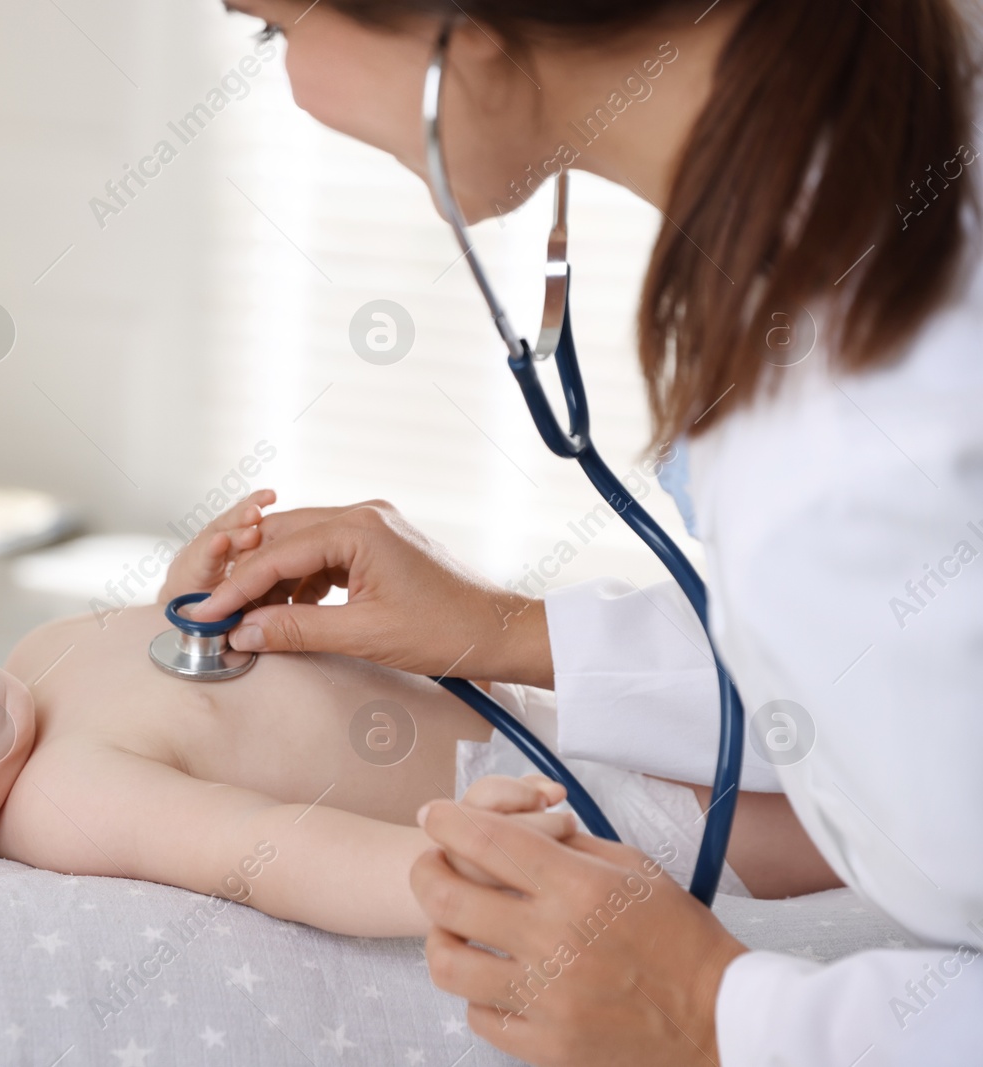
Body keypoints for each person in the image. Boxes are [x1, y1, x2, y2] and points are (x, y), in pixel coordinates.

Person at [195, 0, 983, 1064]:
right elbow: (909, 666)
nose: (290, 83)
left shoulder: (851, 437)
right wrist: (511, 629)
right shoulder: (853, 209)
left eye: (272, 28)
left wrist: (718, 1015)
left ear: (454, 26)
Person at [0, 488, 838, 950]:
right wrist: (447, 870)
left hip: (501, 687)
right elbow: (273, 850)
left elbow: (165, 652)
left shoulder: (38, 653)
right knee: (801, 837)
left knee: (783, 696)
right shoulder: (64, 806)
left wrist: (198, 586)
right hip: (529, 790)